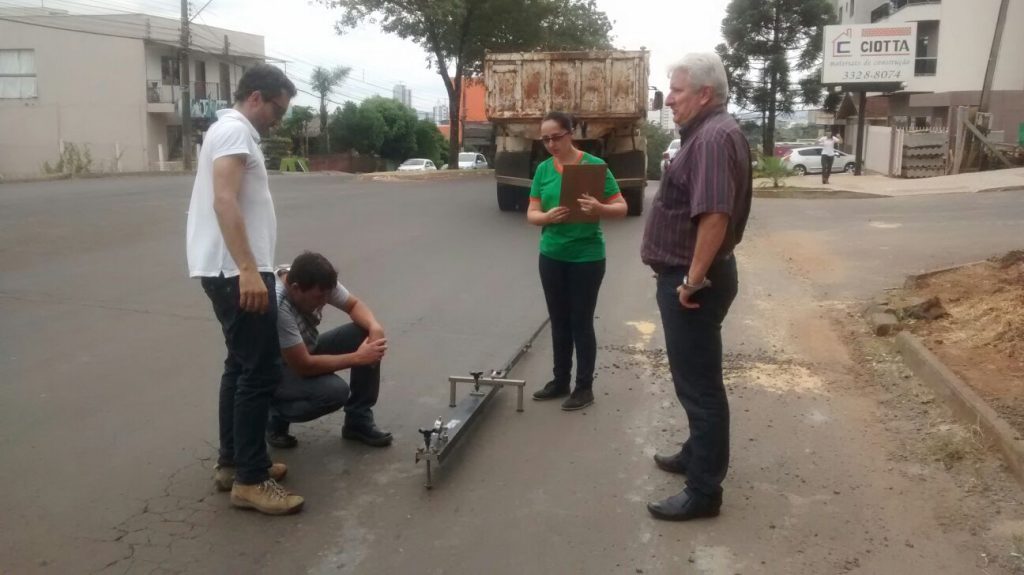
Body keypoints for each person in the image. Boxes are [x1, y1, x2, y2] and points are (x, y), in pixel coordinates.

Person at [186, 64, 304, 516]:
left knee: (240, 367)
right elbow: (224, 200)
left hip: (228, 269)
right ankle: (250, 481)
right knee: (260, 372)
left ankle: (234, 463)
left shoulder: (229, 130)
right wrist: (249, 270)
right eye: (277, 109)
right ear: (256, 97)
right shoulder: (235, 131)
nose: (279, 119)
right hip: (236, 273)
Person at [640, 53, 752, 521]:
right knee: (694, 380)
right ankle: (696, 453)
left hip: (694, 283)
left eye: (678, 90)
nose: (669, 98)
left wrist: (690, 280)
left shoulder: (710, 138)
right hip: (698, 276)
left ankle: (704, 491)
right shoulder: (712, 132)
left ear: (705, 94)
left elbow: (713, 216)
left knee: (700, 386)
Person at [526, 111, 628, 411]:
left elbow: (621, 207)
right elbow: (531, 213)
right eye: (545, 139)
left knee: (580, 322)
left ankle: (584, 387)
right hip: (552, 255)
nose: (551, 144)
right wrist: (545, 217)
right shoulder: (543, 170)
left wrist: (599, 207)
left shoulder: (595, 168)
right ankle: (560, 381)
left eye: (556, 137)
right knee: (558, 321)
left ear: (571, 133)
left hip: (587, 257)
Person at [267, 251, 393, 449]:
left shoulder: (314, 280)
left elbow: (354, 305)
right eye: (319, 297)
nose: (325, 301)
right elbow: (304, 366)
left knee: (365, 333)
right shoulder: (278, 306)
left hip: (303, 349)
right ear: (295, 288)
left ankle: (357, 421)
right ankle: (272, 413)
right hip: (275, 368)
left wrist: (374, 328)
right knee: (334, 392)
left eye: (328, 294)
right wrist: (358, 358)